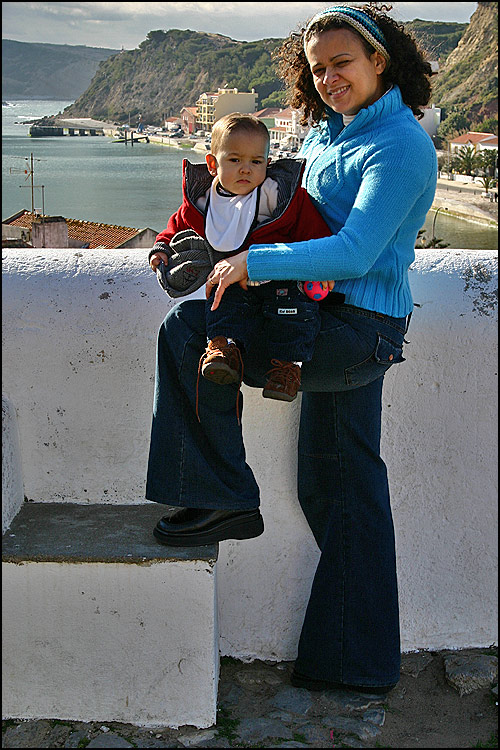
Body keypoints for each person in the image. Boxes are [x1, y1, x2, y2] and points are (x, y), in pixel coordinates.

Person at [146, 3, 437, 695]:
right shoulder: (334, 136)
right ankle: (353, 665)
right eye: (318, 68)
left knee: (189, 331)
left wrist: (256, 261)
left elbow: (358, 249)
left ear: (380, 61)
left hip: (358, 328)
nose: (330, 77)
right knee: (341, 487)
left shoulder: (398, 143)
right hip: (322, 316)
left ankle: (221, 496)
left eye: (343, 62)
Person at [149, 113, 333, 408]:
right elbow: (178, 226)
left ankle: (287, 368)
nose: (246, 169)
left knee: (296, 315)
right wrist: (161, 248)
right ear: (212, 164)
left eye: (256, 162)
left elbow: (313, 229)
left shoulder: (280, 197)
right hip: (234, 282)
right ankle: (223, 349)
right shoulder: (202, 201)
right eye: (234, 160)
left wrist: (323, 266)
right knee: (221, 305)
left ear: (267, 163)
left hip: (281, 279)